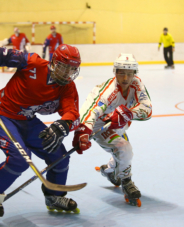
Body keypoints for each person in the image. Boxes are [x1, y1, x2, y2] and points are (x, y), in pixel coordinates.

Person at [0, 44, 84, 221]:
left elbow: (72, 112)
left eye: (72, 69)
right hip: (3, 115)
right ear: (54, 62)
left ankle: (54, 195)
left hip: (27, 120)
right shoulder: (33, 63)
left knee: (60, 156)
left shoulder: (67, 87)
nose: (68, 73)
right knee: (20, 159)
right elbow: (3, 54)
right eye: (65, 67)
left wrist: (63, 125)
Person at [72, 53, 152, 207]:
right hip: (101, 127)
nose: (125, 78)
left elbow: (147, 109)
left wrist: (129, 114)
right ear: (115, 72)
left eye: (130, 73)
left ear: (135, 74)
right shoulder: (107, 91)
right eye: (121, 72)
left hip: (119, 124)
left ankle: (109, 171)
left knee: (122, 154)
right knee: (124, 148)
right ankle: (127, 182)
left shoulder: (137, 84)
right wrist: (84, 130)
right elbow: (91, 110)